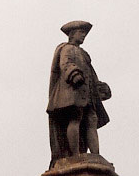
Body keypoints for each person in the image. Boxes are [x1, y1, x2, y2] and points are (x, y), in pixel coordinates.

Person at [47, 20, 111, 166]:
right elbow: (66, 64)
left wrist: (99, 87)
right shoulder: (67, 49)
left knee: (91, 120)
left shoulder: (84, 54)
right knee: (75, 118)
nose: (83, 36)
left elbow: (91, 73)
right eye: (81, 33)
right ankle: (75, 155)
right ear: (72, 34)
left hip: (87, 94)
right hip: (72, 92)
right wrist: (74, 74)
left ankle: (95, 155)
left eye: (84, 34)